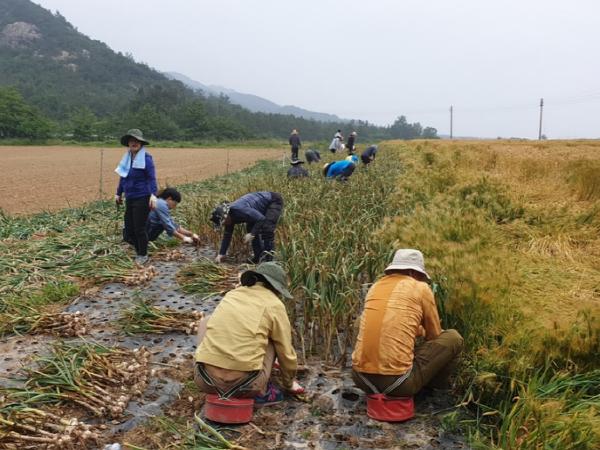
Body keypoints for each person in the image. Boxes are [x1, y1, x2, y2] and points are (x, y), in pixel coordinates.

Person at [352, 249, 463, 399]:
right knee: (453, 338)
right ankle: (433, 390)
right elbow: (434, 335)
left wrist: (415, 329)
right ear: (412, 272)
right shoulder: (421, 288)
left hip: (360, 379)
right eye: (421, 276)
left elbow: (390, 325)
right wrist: (422, 331)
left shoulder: (376, 286)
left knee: (360, 321)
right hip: (398, 385)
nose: (421, 280)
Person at [194, 262, 305, 405]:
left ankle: (208, 368)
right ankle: (263, 392)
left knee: (206, 321)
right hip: (247, 387)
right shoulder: (275, 305)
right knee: (274, 339)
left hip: (204, 382)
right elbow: (286, 352)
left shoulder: (232, 294)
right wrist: (289, 383)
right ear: (276, 288)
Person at [114, 128, 158, 266]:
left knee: (139, 227)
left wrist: (153, 195)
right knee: (129, 227)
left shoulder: (146, 159)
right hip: (130, 197)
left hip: (143, 197)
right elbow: (123, 177)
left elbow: (151, 178)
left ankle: (143, 254)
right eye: (131, 141)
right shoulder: (127, 158)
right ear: (128, 143)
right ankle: (139, 249)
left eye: (137, 141)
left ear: (141, 143)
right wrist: (118, 193)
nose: (134, 143)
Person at [211, 191, 284, 264]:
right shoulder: (228, 219)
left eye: (223, 223)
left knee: (267, 229)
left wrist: (252, 234)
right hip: (255, 210)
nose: (224, 225)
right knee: (250, 228)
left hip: (273, 200)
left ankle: (269, 261)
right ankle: (258, 257)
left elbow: (261, 219)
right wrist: (221, 254)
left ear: (226, 216)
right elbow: (227, 235)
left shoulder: (239, 210)